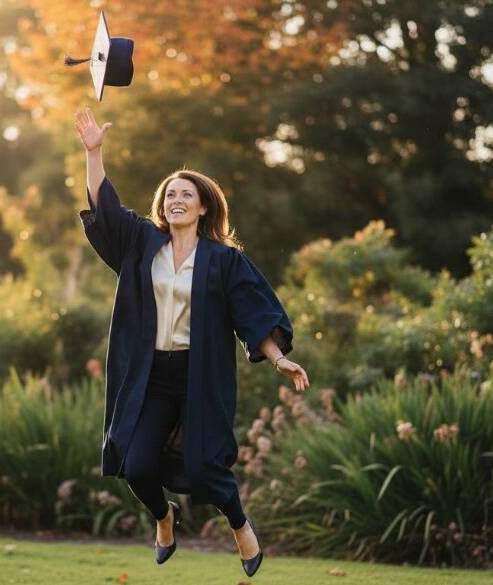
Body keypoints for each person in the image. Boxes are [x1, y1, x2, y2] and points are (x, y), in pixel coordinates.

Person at [74, 106, 309, 577]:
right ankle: (165, 518)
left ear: (204, 206)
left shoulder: (224, 262)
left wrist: (278, 357)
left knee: (205, 469)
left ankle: (241, 527)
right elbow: (104, 209)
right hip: (150, 375)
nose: (176, 199)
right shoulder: (141, 242)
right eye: (170, 194)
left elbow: (254, 311)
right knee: (137, 467)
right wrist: (95, 153)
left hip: (199, 375)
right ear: (162, 206)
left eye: (187, 194)